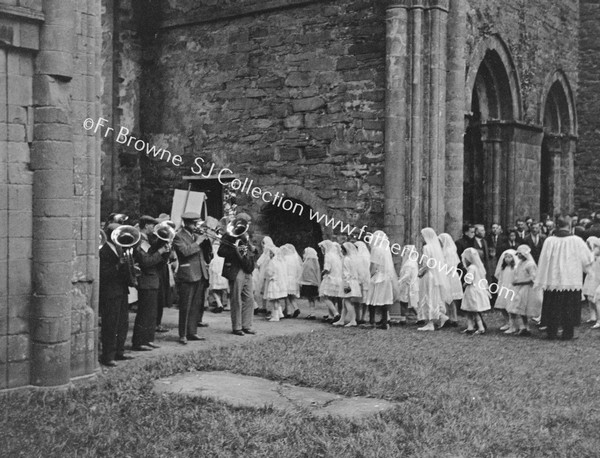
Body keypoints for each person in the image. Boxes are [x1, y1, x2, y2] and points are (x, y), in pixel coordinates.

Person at [535, 217, 594, 340]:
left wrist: (542, 278)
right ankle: (567, 333)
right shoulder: (576, 241)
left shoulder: (549, 241)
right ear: (569, 225)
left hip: (553, 279)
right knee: (569, 307)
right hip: (570, 279)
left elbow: (543, 261)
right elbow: (587, 259)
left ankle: (551, 332)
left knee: (553, 306)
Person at [173, 212, 213, 344]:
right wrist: (198, 242)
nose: (196, 226)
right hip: (187, 274)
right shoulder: (178, 236)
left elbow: (206, 256)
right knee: (186, 306)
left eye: (197, 223)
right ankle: (182, 334)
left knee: (196, 305)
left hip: (200, 274)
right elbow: (185, 252)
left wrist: (207, 244)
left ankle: (192, 332)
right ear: (186, 223)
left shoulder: (196, 235)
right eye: (194, 223)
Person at [131, 215, 170, 351]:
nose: (154, 228)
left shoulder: (148, 240)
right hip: (146, 280)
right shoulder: (141, 241)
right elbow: (146, 262)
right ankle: (139, 342)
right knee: (144, 313)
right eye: (152, 225)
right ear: (146, 225)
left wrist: (164, 252)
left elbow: (155, 260)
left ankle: (147, 339)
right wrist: (160, 251)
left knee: (151, 313)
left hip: (152, 280)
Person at [218, 212, 258, 335]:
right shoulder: (229, 235)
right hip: (236, 269)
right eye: (247, 222)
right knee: (236, 299)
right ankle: (237, 327)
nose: (248, 225)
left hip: (246, 268)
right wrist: (235, 251)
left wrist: (252, 249)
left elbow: (250, 251)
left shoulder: (246, 235)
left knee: (249, 298)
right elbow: (221, 252)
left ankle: (246, 325)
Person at [99, 223, 133, 366]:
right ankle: (108, 356)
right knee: (110, 324)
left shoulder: (119, 248)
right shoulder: (104, 250)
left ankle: (119, 351)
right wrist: (118, 264)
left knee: (122, 323)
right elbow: (103, 273)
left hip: (121, 289)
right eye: (118, 233)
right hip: (110, 291)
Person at [364, 230, 397, 330]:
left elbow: (373, 265)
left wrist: (370, 275)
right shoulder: (386, 249)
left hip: (378, 276)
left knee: (372, 300)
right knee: (384, 300)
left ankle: (372, 321)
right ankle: (384, 322)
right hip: (386, 277)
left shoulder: (376, 249)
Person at [507, 245, 541, 336]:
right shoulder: (521, 263)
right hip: (520, 288)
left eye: (520, 254)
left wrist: (518, 282)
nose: (518, 255)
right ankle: (525, 327)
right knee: (520, 309)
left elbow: (532, 278)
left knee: (523, 307)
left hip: (527, 288)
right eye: (517, 254)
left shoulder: (530, 264)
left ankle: (526, 327)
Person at [460, 248, 491, 335]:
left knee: (474, 310)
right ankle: (470, 327)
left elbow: (469, 279)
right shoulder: (477, 267)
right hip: (476, 289)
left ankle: (481, 327)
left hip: (472, 290)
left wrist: (465, 284)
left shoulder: (471, 268)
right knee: (469, 310)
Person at [333, 242, 361, 327]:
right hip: (353, 281)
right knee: (345, 301)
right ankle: (342, 319)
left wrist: (346, 284)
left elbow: (346, 273)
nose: (341, 251)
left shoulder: (346, 259)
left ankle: (353, 320)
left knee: (347, 301)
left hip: (348, 282)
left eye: (342, 249)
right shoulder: (352, 259)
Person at [438, 233, 463, 326]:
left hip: (449, 275)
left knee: (450, 298)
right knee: (447, 298)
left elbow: (449, 265)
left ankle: (454, 318)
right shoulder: (447, 250)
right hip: (448, 274)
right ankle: (450, 317)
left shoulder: (448, 251)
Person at [318, 240, 344, 323]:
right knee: (332, 297)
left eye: (322, 247)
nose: (322, 249)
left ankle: (335, 313)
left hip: (330, 278)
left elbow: (327, 268)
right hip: (338, 278)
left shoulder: (328, 255)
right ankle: (331, 316)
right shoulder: (337, 256)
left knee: (324, 296)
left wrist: (322, 273)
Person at [494, 249, 519, 332]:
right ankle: (507, 322)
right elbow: (500, 279)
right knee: (502, 307)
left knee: (511, 308)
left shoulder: (515, 268)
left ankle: (513, 326)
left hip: (512, 289)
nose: (507, 259)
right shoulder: (503, 268)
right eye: (506, 257)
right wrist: (499, 287)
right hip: (504, 289)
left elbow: (516, 279)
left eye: (510, 257)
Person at [262, 246, 288, 322]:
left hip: (273, 283)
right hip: (278, 283)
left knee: (274, 300)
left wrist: (267, 274)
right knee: (276, 299)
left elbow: (269, 272)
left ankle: (275, 316)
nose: (269, 255)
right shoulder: (280, 262)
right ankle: (279, 314)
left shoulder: (272, 262)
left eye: (271, 253)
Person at [397, 245, 419, 325]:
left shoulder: (409, 263)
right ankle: (417, 317)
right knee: (410, 303)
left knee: (405, 302)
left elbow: (407, 275)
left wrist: (399, 281)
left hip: (407, 285)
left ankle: (405, 319)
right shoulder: (413, 262)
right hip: (411, 285)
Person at [280, 244, 302, 318]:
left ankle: (288, 311)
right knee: (291, 296)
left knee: (286, 295)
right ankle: (296, 308)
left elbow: (283, 269)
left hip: (287, 278)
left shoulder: (285, 258)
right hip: (293, 279)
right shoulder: (294, 258)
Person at [582, 237, 600, 327]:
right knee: (590, 298)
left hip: (597, 279)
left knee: (597, 299)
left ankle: (599, 321)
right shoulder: (593, 255)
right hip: (592, 278)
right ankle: (593, 317)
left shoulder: (596, 256)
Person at [208, 238, 229, 313]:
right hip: (222, 268)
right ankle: (224, 304)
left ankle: (219, 304)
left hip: (216, 269)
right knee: (224, 289)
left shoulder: (214, 248)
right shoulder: (223, 250)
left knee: (214, 289)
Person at [299, 247, 321, 320]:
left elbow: (304, 273)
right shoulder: (316, 262)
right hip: (314, 283)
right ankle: (312, 313)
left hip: (308, 283)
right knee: (312, 299)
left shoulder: (307, 263)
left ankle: (312, 313)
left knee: (310, 298)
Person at [354, 241, 371, 325]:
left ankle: (359, 316)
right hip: (365, 280)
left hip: (362, 279)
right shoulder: (368, 256)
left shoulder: (360, 257)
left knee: (360, 300)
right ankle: (362, 316)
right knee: (363, 300)